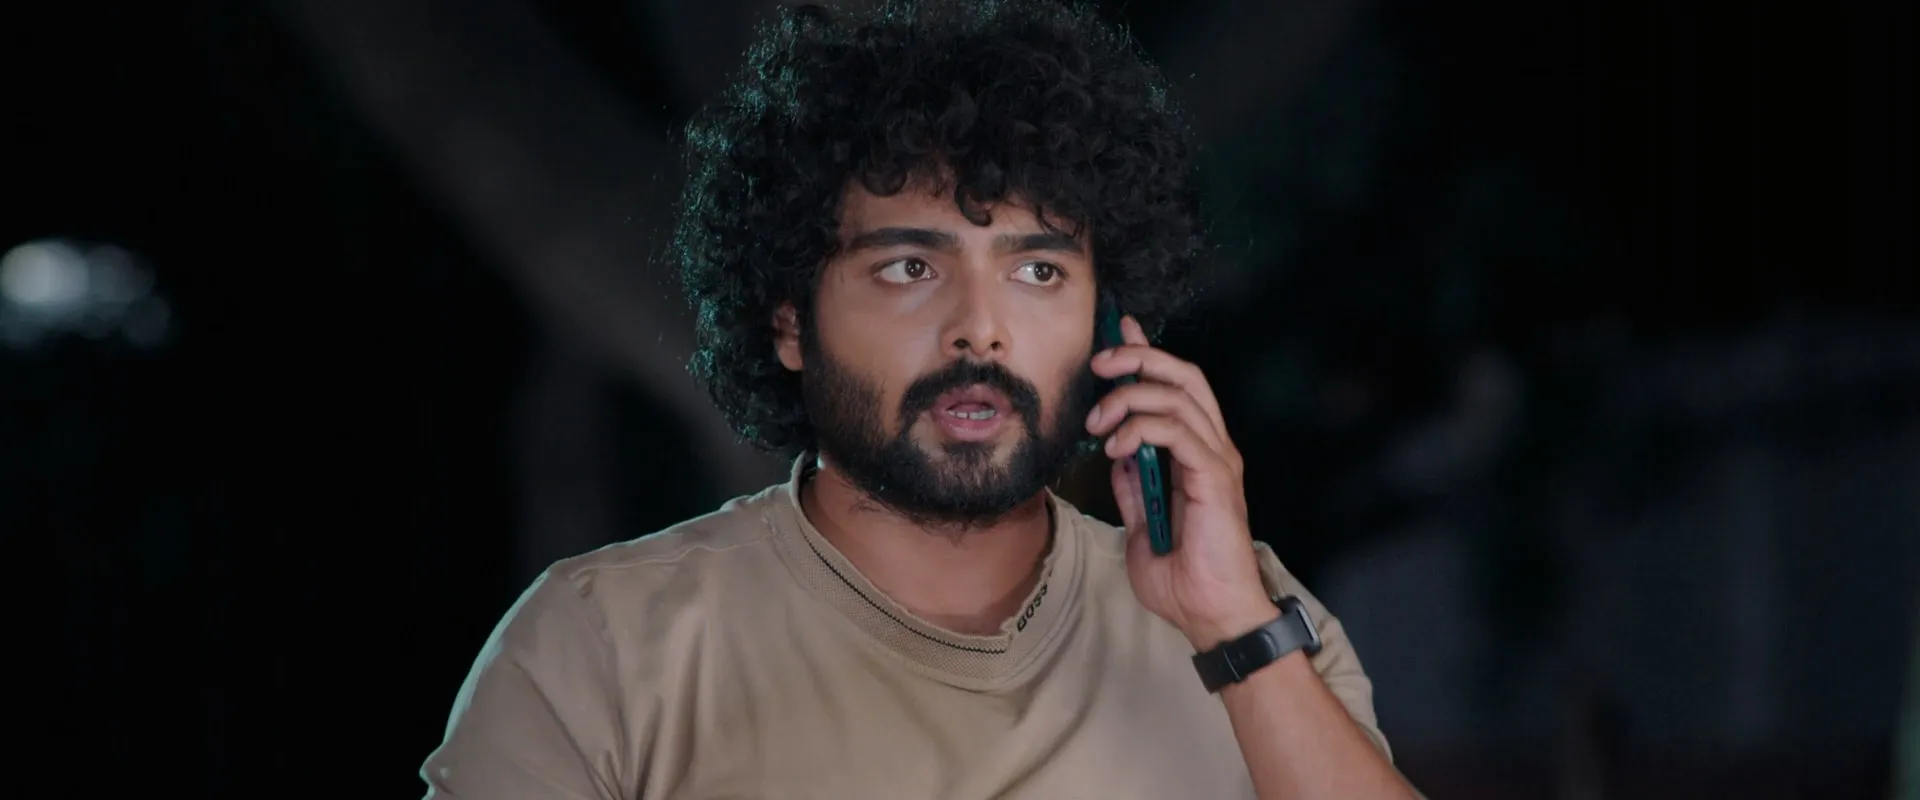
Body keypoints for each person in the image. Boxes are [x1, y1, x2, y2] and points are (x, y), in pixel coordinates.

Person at [421, 2, 1417, 797]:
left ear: (1109, 325)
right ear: (790, 322)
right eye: (909, 267)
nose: (980, 329)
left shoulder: (1256, 623)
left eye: (1037, 272)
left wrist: (1233, 629)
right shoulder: (599, 643)